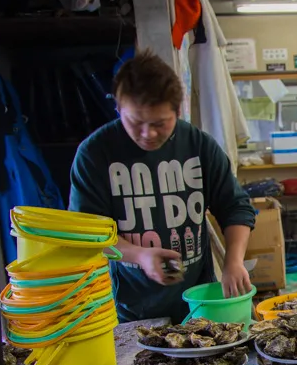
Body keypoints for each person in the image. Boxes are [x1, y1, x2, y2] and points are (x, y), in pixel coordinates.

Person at [69, 50, 256, 323]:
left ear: (178, 111)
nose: (148, 134)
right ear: (118, 109)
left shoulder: (199, 146)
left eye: (160, 123)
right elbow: (88, 237)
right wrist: (139, 255)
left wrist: (233, 261)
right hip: (132, 306)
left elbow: (236, 208)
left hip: (199, 297)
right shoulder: (95, 154)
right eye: (135, 123)